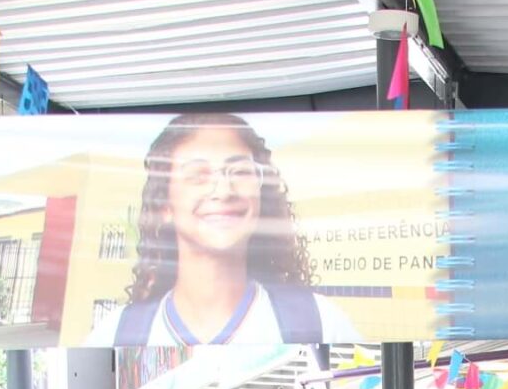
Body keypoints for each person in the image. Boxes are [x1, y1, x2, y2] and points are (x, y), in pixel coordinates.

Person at [101, 113, 363, 347]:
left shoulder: (321, 322)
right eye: (198, 175)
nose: (224, 190)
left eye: (239, 171)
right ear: (164, 206)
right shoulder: (115, 336)